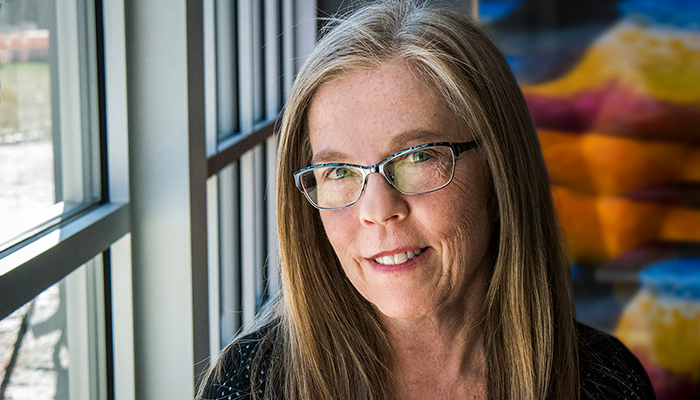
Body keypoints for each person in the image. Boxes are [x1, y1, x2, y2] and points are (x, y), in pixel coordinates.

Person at [197, 1, 657, 399]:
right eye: (338, 171)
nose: (377, 211)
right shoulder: (250, 386)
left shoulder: (604, 383)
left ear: (499, 174)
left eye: (417, 156)